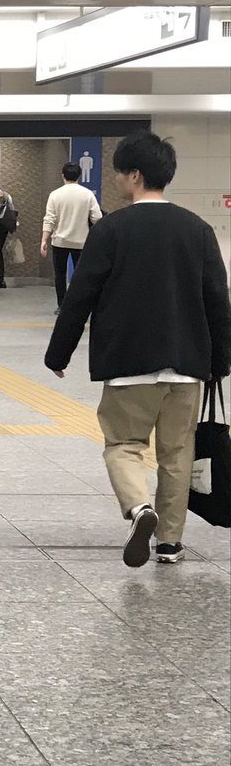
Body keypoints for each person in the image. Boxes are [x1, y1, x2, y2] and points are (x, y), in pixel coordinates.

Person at [45, 130, 231, 567]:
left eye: (119, 173)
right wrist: (221, 360)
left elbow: (81, 295)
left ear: (135, 175)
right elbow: (217, 300)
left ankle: (138, 507)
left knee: (123, 444)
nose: (115, 181)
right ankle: (169, 543)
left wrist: (59, 353)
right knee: (177, 454)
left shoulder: (112, 229)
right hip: (187, 365)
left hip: (128, 363)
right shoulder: (198, 229)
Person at [41, 162, 103, 312]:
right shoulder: (87, 194)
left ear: (63, 175)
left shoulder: (55, 195)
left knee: (60, 275)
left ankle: (62, 306)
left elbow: (49, 219)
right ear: (79, 176)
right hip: (81, 241)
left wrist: (44, 240)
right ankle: (79, 305)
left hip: (59, 242)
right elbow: (97, 218)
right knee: (81, 275)